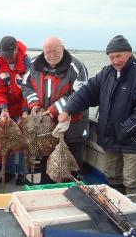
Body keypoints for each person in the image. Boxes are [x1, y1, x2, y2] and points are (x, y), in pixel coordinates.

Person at [57, 35, 136, 195]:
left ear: (129, 53)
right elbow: (87, 92)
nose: (115, 61)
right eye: (111, 57)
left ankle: (134, 216)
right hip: (112, 139)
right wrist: (67, 109)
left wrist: (124, 131)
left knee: (132, 183)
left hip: (134, 142)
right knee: (112, 178)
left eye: (118, 56)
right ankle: (118, 209)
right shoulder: (107, 73)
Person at [21, 36, 89, 184]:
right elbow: (26, 86)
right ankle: (47, 192)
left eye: (55, 51)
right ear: (43, 51)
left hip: (73, 127)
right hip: (46, 130)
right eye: (48, 51)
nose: (51, 55)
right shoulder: (33, 64)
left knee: (72, 169)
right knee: (48, 165)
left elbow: (81, 94)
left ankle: (73, 192)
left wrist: (54, 110)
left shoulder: (77, 66)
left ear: (63, 49)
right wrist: (35, 104)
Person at [0, 36, 31, 186]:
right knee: (6, 141)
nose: (7, 59)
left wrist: (25, 111)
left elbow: (30, 88)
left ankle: (22, 173)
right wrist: (3, 109)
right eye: (4, 56)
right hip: (7, 109)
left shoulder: (27, 62)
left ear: (15, 50)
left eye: (9, 55)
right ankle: (8, 171)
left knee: (22, 143)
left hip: (23, 108)